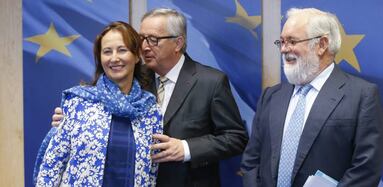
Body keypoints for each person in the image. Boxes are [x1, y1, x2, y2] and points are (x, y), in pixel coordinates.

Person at [50, 8, 248, 187]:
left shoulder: (210, 81)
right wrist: (71, 117)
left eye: (153, 39)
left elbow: (236, 137)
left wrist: (186, 148)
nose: (144, 47)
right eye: (142, 38)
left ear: (178, 43)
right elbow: (102, 105)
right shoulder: (136, 76)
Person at [241, 8, 383, 187]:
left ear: (322, 44)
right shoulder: (271, 96)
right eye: (282, 42)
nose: (284, 49)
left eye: (292, 41)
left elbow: (366, 169)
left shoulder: (362, 96)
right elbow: (251, 161)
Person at [35, 21, 163, 186]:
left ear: (137, 56)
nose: (114, 58)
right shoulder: (78, 102)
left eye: (122, 50)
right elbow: (51, 166)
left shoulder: (150, 109)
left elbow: (151, 174)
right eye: (107, 52)